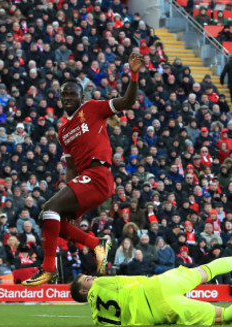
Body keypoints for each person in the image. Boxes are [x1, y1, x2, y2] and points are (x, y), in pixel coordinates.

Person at [23, 52, 144, 286]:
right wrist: (71, 195)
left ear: (82, 96)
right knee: (50, 220)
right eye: (64, 94)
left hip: (99, 174)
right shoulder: (63, 131)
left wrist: (134, 73)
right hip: (86, 180)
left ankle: (48, 269)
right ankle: (96, 244)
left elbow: (127, 102)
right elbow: (70, 168)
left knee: (49, 208)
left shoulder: (92, 108)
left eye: (72, 93)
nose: (68, 97)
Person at [70, 253, 232, 326]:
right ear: (82, 291)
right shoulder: (100, 284)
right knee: (206, 270)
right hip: (157, 285)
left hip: (160, 312)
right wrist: (151, 280)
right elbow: (128, 279)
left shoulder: (98, 319)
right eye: (87, 279)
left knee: (223, 317)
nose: (93, 278)